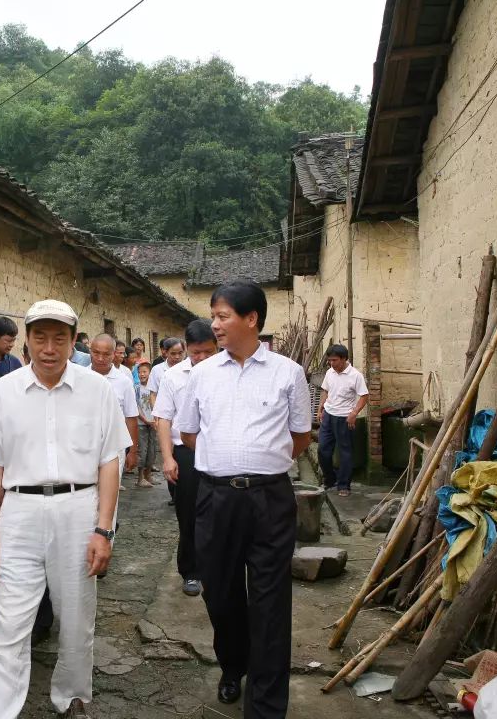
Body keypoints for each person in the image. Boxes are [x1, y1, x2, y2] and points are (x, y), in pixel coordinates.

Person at [0, 300, 131, 719]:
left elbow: (110, 461)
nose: (49, 347)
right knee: (10, 621)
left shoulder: (97, 390)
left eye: (58, 338)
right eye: (40, 337)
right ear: (27, 340)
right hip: (20, 511)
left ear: (71, 341)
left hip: (79, 509)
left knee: (77, 615)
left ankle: (71, 697)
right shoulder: (2, 391)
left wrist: (104, 530)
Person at [175, 281, 311, 717]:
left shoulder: (287, 373)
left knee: (270, 602)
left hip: (270, 500)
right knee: (221, 594)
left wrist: (259, 464)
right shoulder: (202, 374)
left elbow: (301, 436)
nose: (214, 324)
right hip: (216, 499)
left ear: (251, 319)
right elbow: (189, 433)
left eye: (222, 316)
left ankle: (267, 706)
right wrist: (226, 465)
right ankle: (233, 666)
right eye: (213, 316)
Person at [151, 319, 218, 596]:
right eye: (196, 353)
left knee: (219, 514)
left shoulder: (225, 371)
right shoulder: (173, 376)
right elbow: (163, 419)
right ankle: (190, 571)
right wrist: (168, 458)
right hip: (186, 454)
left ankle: (216, 566)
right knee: (188, 514)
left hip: (219, 454)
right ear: (187, 349)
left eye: (208, 352)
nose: (201, 358)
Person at [318, 344, 369, 497]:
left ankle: (343, 485)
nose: (332, 364)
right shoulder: (330, 373)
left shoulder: (355, 375)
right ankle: (330, 479)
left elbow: (364, 396)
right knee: (323, 450)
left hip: (344, 418)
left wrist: (354, 413)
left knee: (345, 452)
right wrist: (321, 408)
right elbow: (325, 390)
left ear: (344, 358)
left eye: (335, 360)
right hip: (328, 415)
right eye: (330, 361)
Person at [90, 333, 140, 484]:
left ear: (114, 354)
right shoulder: (80, 377)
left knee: (110, 496)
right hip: (84, 446)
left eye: (106, 354)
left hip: (114, 448)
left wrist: (132, 451)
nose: (100, 358)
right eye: (96, 353)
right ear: (90, 351)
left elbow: (131, 417)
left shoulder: (124, 382)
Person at [135, 361, 157, 488]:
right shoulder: (136, 388)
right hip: (141, 424)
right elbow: (135, 407)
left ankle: (148, 475)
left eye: (144, 372)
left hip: (153, 423)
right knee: (142, 450)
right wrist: (145, 420)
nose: (142, 374)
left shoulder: (154, 388)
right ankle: (140, 478)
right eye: (139, 372)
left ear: (150, 373)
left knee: (152, 450)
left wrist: (154, 420)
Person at [148, 337, 184, 403]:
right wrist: (156, 411)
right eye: (173, 353)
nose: (177, 357)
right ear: (166, 352)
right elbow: (153, 394)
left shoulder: (189, 369)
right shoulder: (156, 370)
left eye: (180, 353)